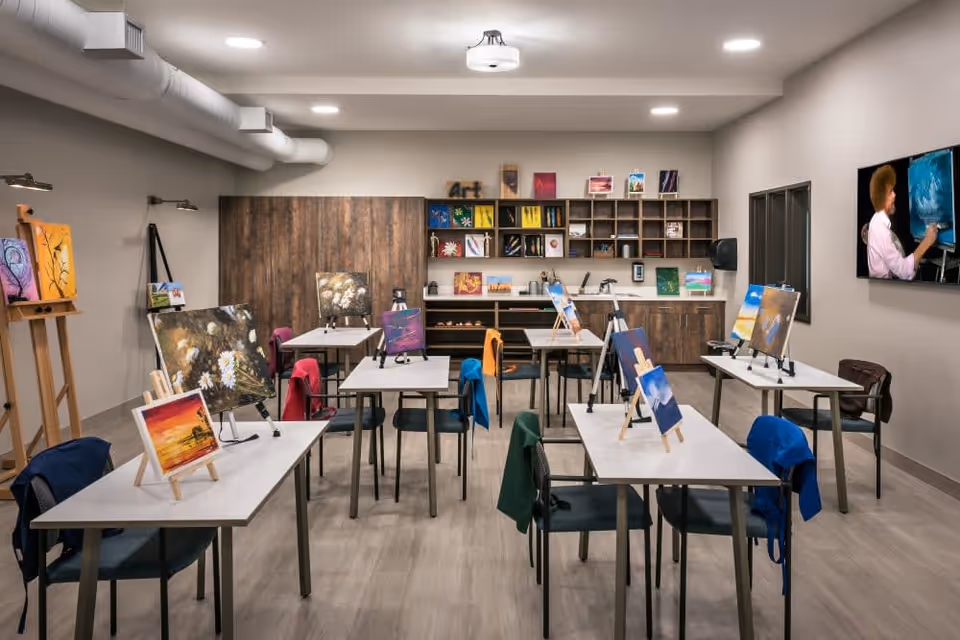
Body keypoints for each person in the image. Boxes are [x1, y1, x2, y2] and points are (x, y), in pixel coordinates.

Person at [864, 164, 938, 280]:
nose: (894, 195)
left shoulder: (876, 220)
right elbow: (903, 272)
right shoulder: (881, 230)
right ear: (881, 197)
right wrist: (927, 241)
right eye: (890, 192)